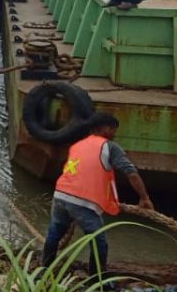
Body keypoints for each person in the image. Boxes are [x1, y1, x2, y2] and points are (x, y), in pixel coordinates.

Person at [41, 113, 153, 278]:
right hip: (83, 201)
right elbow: (131, 173)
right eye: (113, 129)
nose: (115, 133)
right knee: (99, 242)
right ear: (104, 128)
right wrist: (144, 198)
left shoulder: (77, 145)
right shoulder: (109, 147)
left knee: (54, 234)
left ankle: (44, 271)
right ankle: (96, 280)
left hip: (61, 195)